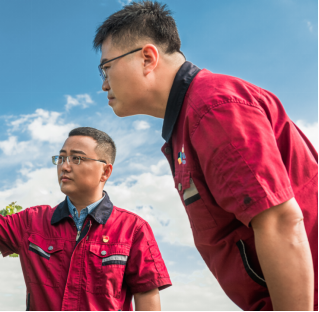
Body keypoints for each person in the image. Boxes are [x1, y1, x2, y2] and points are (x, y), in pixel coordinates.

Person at [93, 1, 318, 311]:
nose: (103, 83)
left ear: (147, 57)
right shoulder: (188, 123)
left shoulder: (213, 108)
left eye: (106, 67)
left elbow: (280, 221)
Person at [0, 127, 172, 311]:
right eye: (61, 158)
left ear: (105, 171)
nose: (65, 165)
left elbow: (147, 298)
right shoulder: (33, 221)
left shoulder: (133, 229)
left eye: (77, 158)